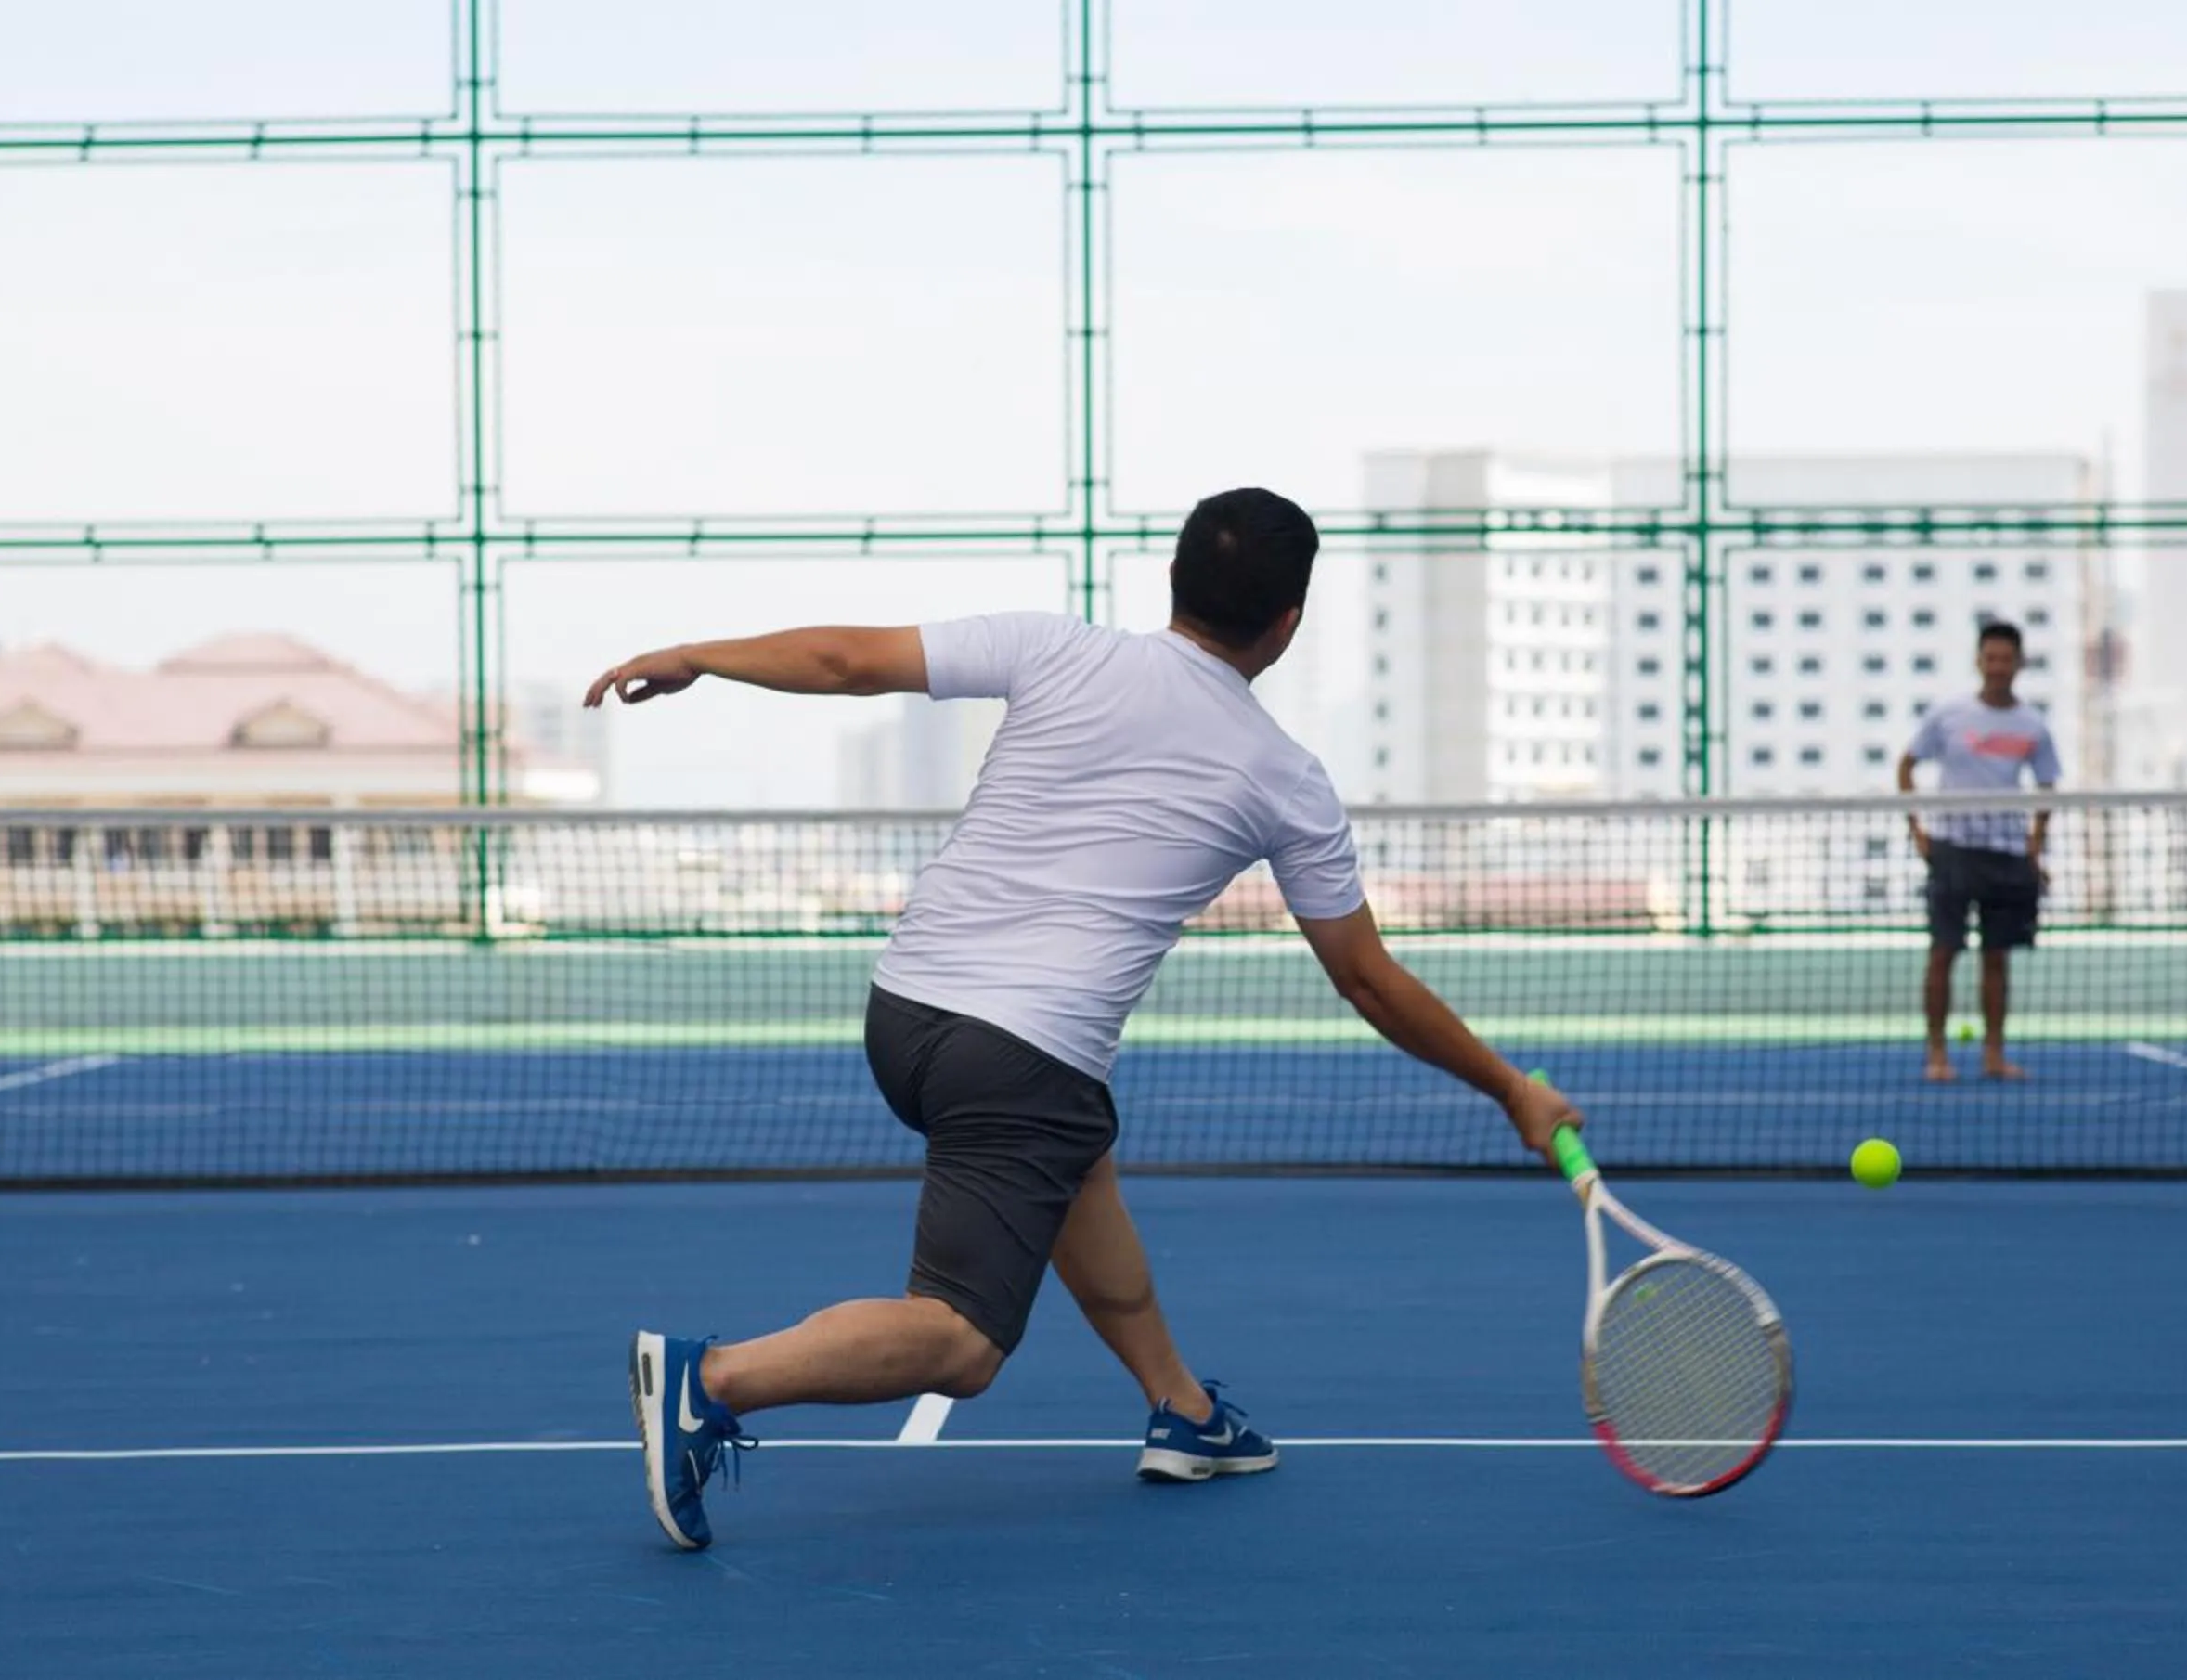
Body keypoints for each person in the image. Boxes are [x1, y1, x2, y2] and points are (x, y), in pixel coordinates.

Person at [584, 486, 1585, 1551]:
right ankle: (714, 1377)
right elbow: (1369, 980)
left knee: (1077, 1165)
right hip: (1018, 1055)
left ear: (1172, 580)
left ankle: (1187, 1413)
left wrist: (700, 652)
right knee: (962, 1343)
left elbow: (845, 661)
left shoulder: (1053, 647)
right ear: (1287, 624)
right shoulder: (1286, 778)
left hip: (905, 1010)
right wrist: (1511, 1087)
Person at [1896, 618, 2061, 1084]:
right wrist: (1919, 832)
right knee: (1943, 952)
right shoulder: (1949, 715)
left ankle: (1994, 1054)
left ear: (2019, 664)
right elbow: (1906, 765)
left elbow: (2048, 787)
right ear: (1978, 661)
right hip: (1953, 850)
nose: (1998, 667)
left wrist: (2034, 847)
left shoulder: (2033, 725)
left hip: (2006, 855)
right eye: (1991, 658)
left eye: (2007, 659)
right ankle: (1937, 1054)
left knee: (1996, 958)